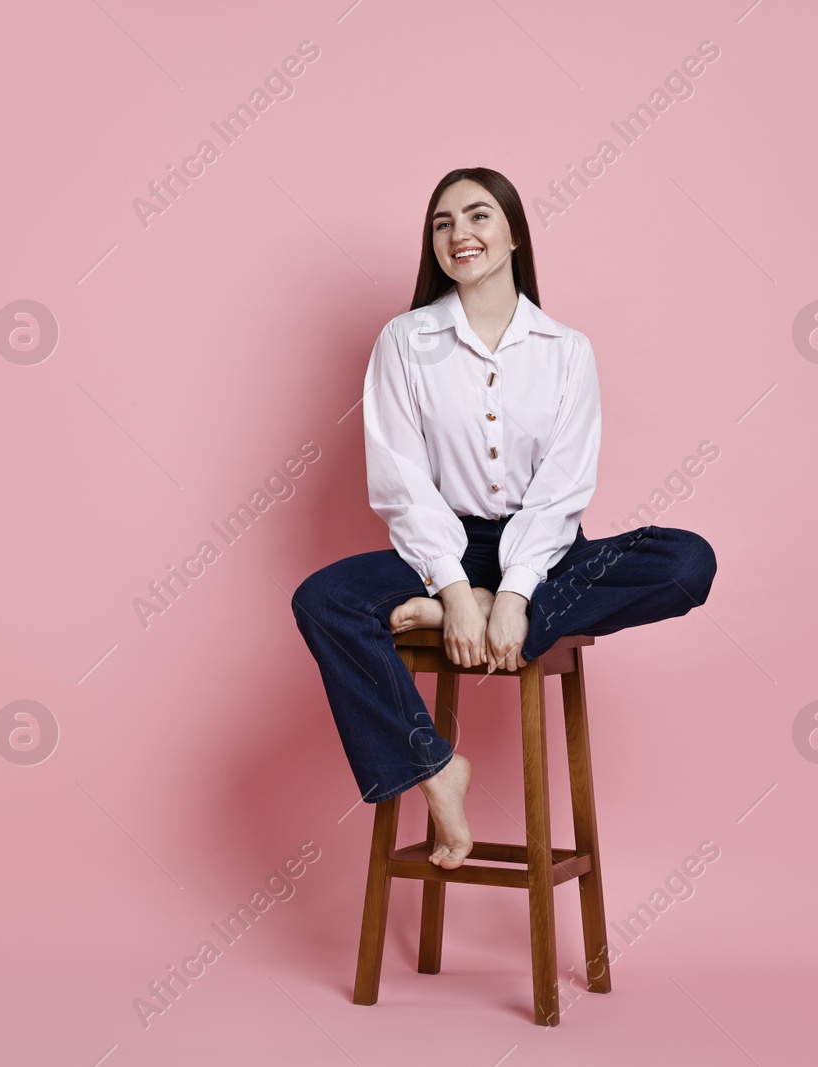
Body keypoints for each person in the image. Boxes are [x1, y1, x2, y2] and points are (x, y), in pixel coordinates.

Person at [290, 167, 716, 870]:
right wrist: (456, 592)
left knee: (686, 561)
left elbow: (562, 488)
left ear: (514, 233)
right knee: (324, 600)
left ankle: (503, 610)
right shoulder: (404, 341)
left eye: (479, 216)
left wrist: (513, 595)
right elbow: (399, 479)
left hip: (545, 554)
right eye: (443, 222)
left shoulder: (566, 351)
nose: (461, 234)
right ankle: (432, 765)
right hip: (441, 548)